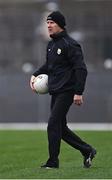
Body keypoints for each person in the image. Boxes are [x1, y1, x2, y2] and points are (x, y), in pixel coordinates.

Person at [30, 11, 96, 169]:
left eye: (52, 23)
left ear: (60, 24)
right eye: (47, 23)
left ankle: (53, 162)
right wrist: (35, 74)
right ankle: (87, 150)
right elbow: (49, 66)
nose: (49, 26)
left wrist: (78, 92)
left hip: (67, 90)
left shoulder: (70, 44)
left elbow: (81, 69)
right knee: (61, 128)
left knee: (53, 124)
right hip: (55, 90)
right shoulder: (51, 45)